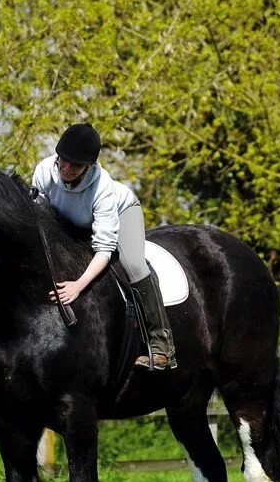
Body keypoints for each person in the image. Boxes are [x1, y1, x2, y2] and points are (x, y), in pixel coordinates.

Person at [32, 123, 177, 370]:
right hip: (72, 222)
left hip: (122, 213)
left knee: (133, 264)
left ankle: (162, 345)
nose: (65, 169)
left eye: (74, 165)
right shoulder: (45, 170)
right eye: (62, 161)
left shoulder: (102, 189)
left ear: (88, 166)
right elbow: (38, 217)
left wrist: (78, 286)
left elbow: (104, 250)